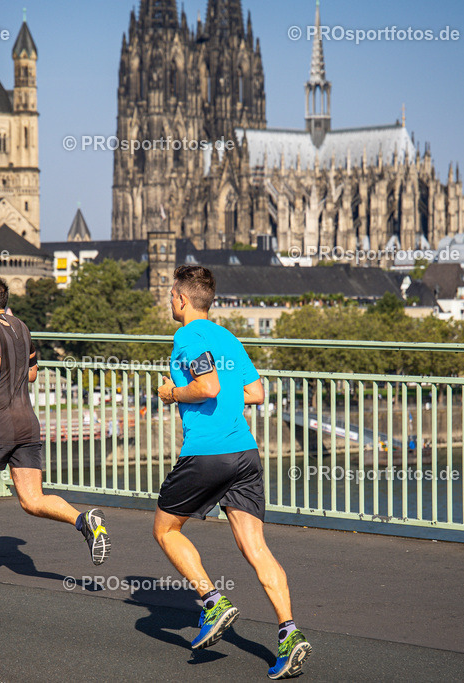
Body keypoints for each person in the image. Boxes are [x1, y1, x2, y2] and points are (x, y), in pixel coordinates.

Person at [155, 265, 311, 679]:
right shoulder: (227, 337)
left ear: (183, 299)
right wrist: (219, 392)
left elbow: (207, 387)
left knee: (166, 530)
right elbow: (256, 392)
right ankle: (290, 634)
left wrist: (172, 392)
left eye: (172, 295)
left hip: (208, 452)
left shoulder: (187, 335)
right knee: (255, 548)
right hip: (245, 453)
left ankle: (212, 601)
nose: (170, 301)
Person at [0, 276, 110, 588]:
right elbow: (32, 372)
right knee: (32, 500)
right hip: (27, 424)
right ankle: (84, 521)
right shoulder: (21, 326)